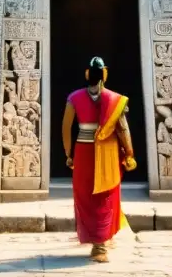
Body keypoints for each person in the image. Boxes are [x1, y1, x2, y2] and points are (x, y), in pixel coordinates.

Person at [61, 56, 137, 263]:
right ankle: (101, 244)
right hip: (108, 151)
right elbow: (122, 129)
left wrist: (69, 154)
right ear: (104, 74)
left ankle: (96, 240)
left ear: (87, 74)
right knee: (105, 195)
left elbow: (66, 127)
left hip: (83, 151)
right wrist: (129, 153)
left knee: (86, 196)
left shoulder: (74, 97)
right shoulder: (115, 100)